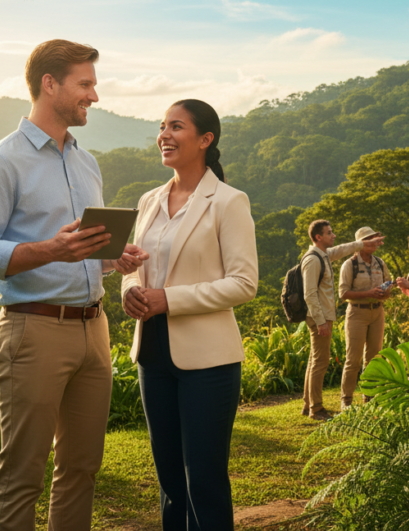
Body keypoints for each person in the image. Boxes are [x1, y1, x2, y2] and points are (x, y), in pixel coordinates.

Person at [0, 39, 148, 531]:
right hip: (33, 330)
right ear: (50, 84)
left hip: (95, 328)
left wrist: (112, 257)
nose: (95, 96)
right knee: (23, 474)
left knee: (82, 469)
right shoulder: (0, 161)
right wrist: (50, 249)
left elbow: (80, 250)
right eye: (85, 84)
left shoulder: (87, 163)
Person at [120, 99, 258, 531]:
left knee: (204, 479)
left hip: (209, 363)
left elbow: (244, 283)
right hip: (152, 354)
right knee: (169, 481)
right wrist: (130, 290)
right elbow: (136, 268)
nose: (164, 135)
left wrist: (168, 299)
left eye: (175, 126)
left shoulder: (229, 201)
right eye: (162, 126)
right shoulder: (148, 201)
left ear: (205, 139)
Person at [301, 220, 384, 420]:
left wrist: (361, 245)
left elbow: (342, 248)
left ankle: (307, 405)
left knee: (315, 360)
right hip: (320, 317)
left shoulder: (324, 255)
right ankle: (316, 409)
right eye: (330, 233)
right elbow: (310, 294)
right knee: (320, 362)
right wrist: (321, 321)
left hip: (325, 316)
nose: (334, 235)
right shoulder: (313, 259)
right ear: (318, 237)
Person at [338, 226, 393, 410]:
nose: (373, 242)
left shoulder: (379, 263)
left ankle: (369, 396)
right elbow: (343, 293)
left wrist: (385, 292)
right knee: (353, 359)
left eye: (374, 238)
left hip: (377, 312)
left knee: (373, 358)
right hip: (357, 313)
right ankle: (346, 400)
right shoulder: (350, 265)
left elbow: (388, 285)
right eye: (368, 239)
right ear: (360, 243)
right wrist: (368, 292)